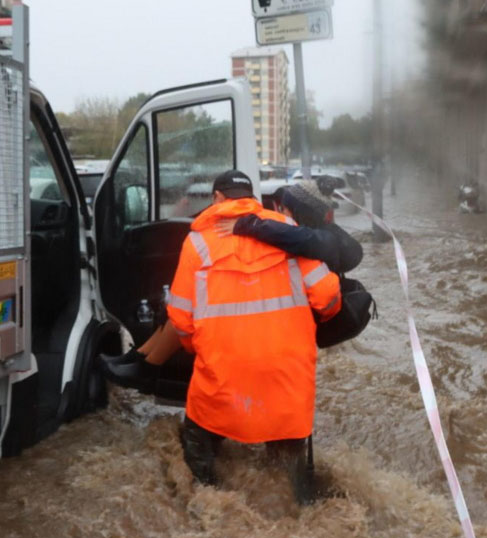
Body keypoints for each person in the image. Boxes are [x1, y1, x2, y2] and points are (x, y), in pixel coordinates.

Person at [164, 170, 342, 503]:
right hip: (286, 374)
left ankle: (208, 506)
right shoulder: (286, 230)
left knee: (199, 445)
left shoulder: (197, 242)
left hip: (222, 373)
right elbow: (327, 297)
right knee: (291, 463)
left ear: (217, 198)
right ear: (252, 198)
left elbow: (180, 318)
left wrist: (196, 349)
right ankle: (302, 506)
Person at [99, 178, 368, 391]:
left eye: (283, 209)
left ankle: (146, 367)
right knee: (179, 311)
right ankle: (141, 359)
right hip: (281, 337)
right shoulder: (304, 239)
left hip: (272, 336)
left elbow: (321, 282)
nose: (278, 212)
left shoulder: (311, 243)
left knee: (184, 313)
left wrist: (250, 225)